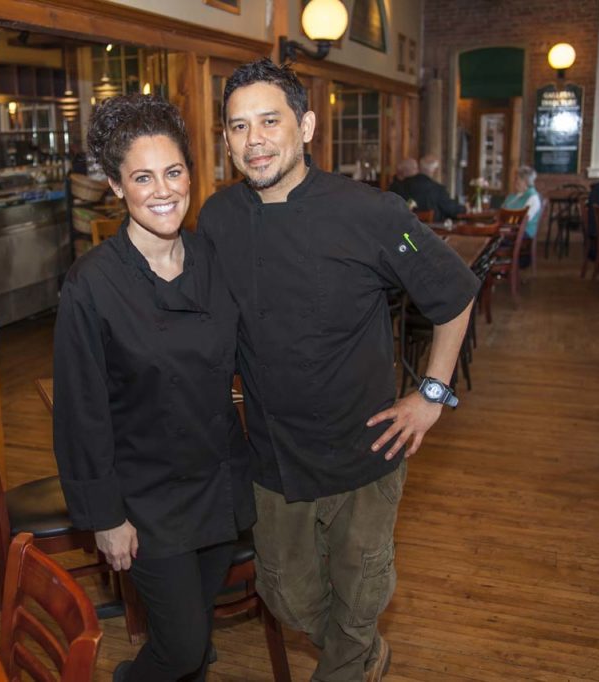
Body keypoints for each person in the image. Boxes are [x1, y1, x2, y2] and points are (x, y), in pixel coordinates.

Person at [198, 58, 479, 682]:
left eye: (269, 121)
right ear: (227, 140)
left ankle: (351, 662)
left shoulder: (372, 211)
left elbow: (455, 293)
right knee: (285, 594)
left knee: (359, 596)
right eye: (239, 127)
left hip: (365, 448)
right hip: (274, 452)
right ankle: (363, 655)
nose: (254, 140)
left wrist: (432, 394)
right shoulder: (217, 218)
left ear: (306, 126)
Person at [52, 94, 255, 682]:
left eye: (174, 171)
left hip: (218, 482)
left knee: (194, 636)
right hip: (146, 500)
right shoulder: (92, 284)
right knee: (184, 648)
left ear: (191, 174)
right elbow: (81, 413)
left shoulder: (213, 257)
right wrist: (105, 517)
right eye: (142, 177)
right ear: (117, 187)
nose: (163, 191)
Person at [389, 154, 466, 221]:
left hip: (402, 231)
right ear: (435, 171)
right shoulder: (437, 189)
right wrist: (465, 208)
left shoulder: (399, 186)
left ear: (419, 168)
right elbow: (451, 209)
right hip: (431, 231)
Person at [501, 166, 542, 239]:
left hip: (523, 231)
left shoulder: (533, 198)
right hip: (510, 228)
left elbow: (523, 220)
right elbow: (502, 210)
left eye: (517, 179)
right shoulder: (514, 195)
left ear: (525, 181)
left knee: (493, 236)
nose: (514, 181)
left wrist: (504, 223)